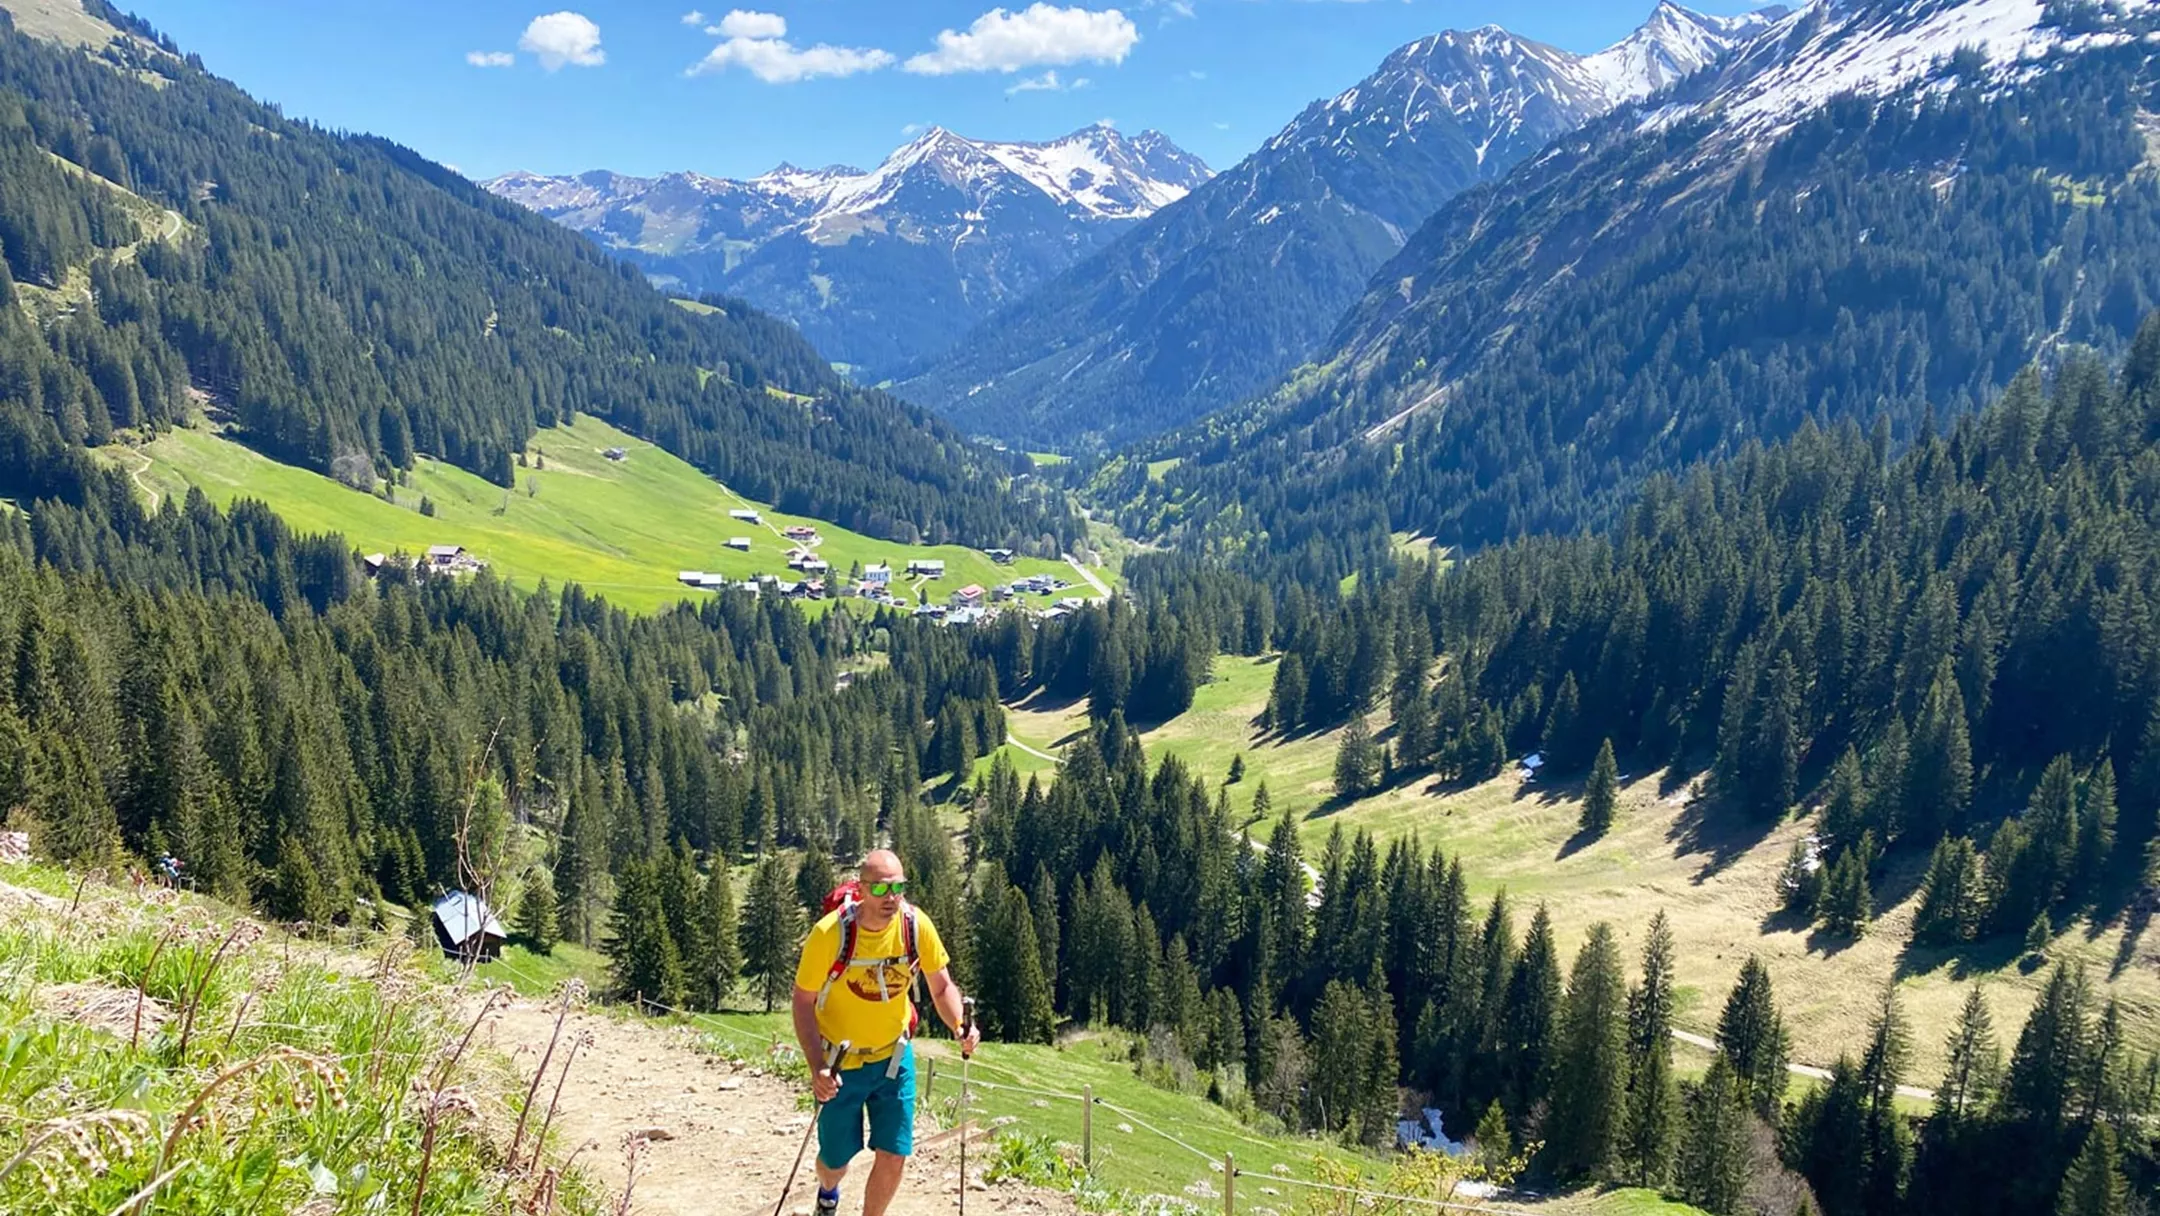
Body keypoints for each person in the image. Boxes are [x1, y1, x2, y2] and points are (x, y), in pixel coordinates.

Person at [792, 849, 977, 1216]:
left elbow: (941, 987)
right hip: (839, 1063)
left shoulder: (914, 925)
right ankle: (828, 1192)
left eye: (898, 888)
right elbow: (802, 1002)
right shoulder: (830, 934)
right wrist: (817, 1068)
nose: (891, 898)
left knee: (894, 1155)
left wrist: (959, 1024)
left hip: (894, 1057)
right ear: (861, 890)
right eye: (880, 889)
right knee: (834, 1161)